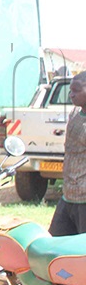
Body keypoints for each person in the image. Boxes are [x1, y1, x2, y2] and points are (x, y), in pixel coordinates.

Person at [49, 72, 86, 236]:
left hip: (84, 199)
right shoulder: (75, 114)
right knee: (55, 243)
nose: (71, 94)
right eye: (70, 90)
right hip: (69, 194)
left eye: (76, 90)